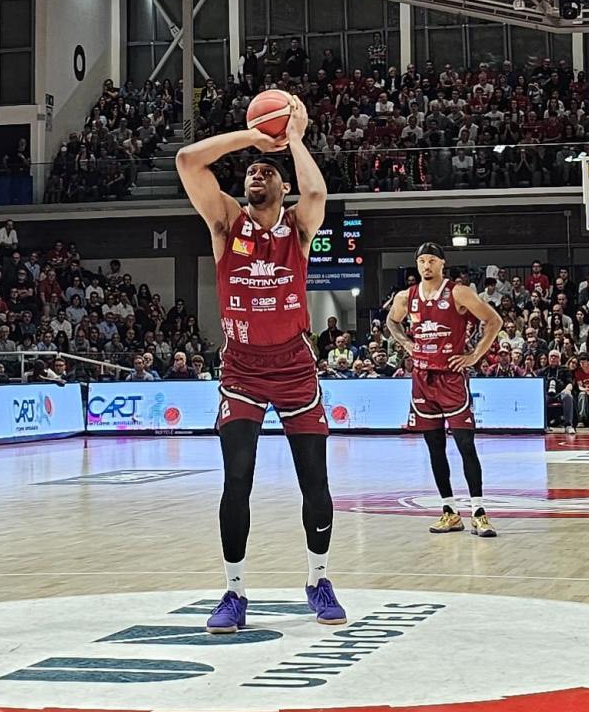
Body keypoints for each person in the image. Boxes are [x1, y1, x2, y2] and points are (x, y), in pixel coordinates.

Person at [174, 100, 345, 634]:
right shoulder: (226, 221)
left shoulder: (298, 227)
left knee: (314, 482)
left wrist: (293, 139)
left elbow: (316, 194)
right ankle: (234, 592)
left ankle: (318, 580)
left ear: (282, 185)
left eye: (267, 172)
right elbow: (187, 160)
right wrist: (252, 137)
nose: (256, 173)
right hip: (242, 370)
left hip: (294, 367)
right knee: (237, 480)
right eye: (251, 170)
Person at [384, 244, 503, 536]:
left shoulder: (458, 292)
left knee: (465, 445)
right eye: (422, 261)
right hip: (422, 379)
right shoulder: (405, 297)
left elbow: (494, 321)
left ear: (442, 264)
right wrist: (406, 343)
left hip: (451, 378)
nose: (426, 266)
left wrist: (474, 356)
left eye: (432, 261)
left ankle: (479, 512)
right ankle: (449, 511)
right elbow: (391, 321)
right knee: (435, 448)